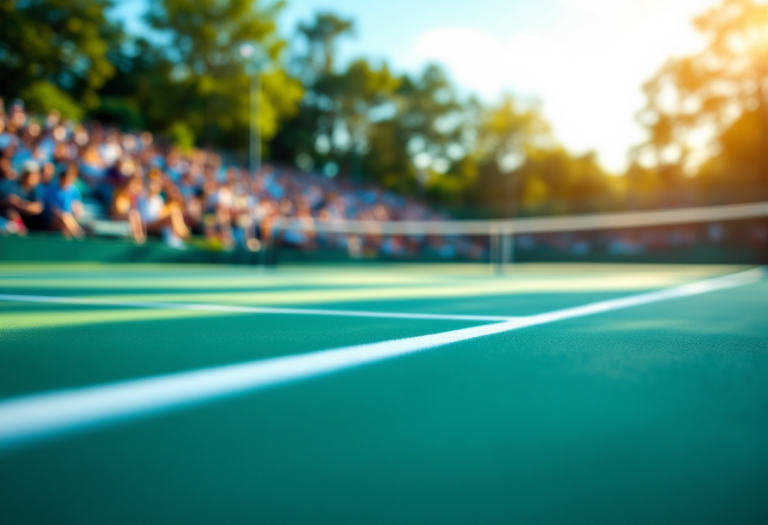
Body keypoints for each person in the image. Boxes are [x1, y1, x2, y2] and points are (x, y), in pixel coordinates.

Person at [0, 161, 44, 234]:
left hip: (32, 222)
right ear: (23, 175)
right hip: (7, 221)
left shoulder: (37, 188)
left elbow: (38, 208)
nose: (33, 177)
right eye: (28, 174)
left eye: (35, 174)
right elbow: (8, 202)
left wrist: (19, 203)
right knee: (11, 212)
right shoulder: (8, 185)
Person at [44, 163, 84, 239]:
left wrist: (73, 216)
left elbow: (77, 208)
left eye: (70, 179)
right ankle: (80, 238)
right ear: (60, 178)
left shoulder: (75, 190)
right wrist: (65, 216)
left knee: (64, 225)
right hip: (50, 219)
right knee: (64, 218)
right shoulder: (50, 189)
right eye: (65, 179)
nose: (67, 182)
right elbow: (53, 210)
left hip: (68, 220)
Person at [111, 175, 145, 244]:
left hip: (125, 216)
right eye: (133, 184)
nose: (134, 187)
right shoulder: (119, 193)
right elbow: (117, 211)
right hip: (115, 217)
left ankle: (141, 238)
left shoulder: (132, 197)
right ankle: (137, 239)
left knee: (137, 216)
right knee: (133, 214)